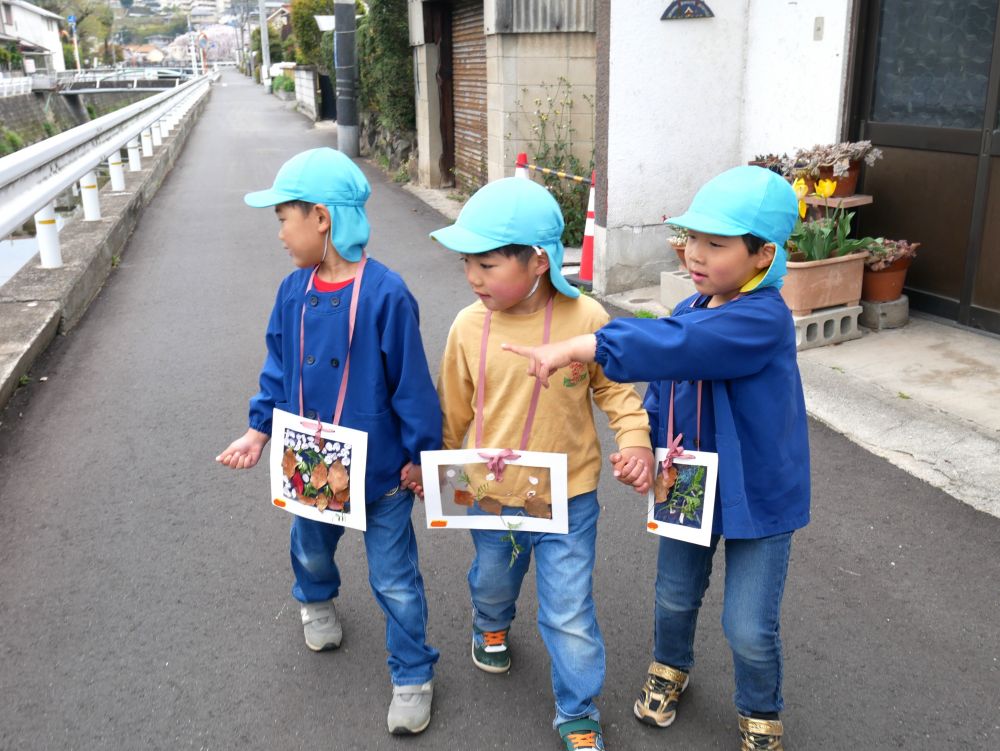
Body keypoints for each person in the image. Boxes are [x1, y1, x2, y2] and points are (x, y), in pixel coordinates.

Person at [504, 166, 810, 751]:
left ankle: (760, 709)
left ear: (762, 255)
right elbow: (667, 384)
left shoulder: (763, 318)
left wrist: (581, 344)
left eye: (715, 244)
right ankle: (671, 665)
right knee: (673, 594)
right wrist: (642, 449)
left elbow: (678, 347)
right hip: (689, 483)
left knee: (748, 626)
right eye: (691, 238)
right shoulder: (698, 303)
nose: (694, 253)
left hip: (760, 494)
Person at [216, 147, 441, 735]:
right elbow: (277, 365)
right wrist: (257, 428)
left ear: (321, 218)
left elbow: (413, 386)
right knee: (311, 547)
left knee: (395, 579)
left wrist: (421, 457)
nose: (280, 235)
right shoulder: (293, 291)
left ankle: (413, 674)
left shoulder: (387, 294)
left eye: (283, 219)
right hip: (312, 463)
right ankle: (315, 597)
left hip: (383, 473)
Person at [428, 177, 654, 751]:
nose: (473, 277)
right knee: (494, 577)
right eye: (466, 264)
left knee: (569, 609)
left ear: (537, 261)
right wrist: (426, 465)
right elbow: (452, 411)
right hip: (489, 490)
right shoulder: (467, 327)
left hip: (570, 495)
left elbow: (617, 392)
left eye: (486, 263)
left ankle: (577, 709)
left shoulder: (587, 318)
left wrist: (635, 441)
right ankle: (490, 623)